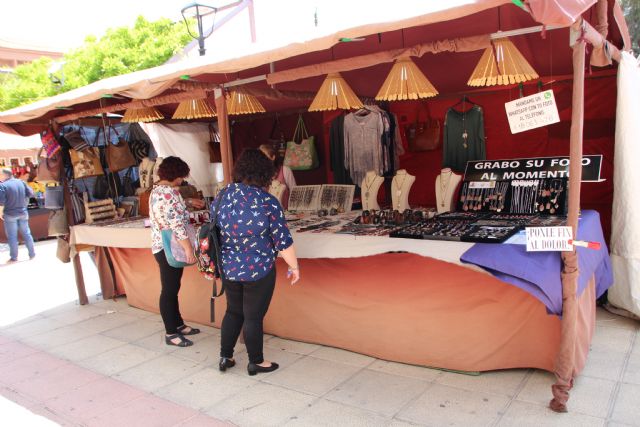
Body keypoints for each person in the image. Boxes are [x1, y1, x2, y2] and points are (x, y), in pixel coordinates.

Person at [212, 148, 300, 376]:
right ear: (265, 174)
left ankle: (225, 356)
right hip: (258, 269)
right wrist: (294, 266)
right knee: (253, 316)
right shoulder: (267, 201)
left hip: (229, 266)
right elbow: (282, 240)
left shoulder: (223, 195)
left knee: (233, 311)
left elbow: (216, 228)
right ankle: (256, 362)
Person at [149, 156, 205, 347]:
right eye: (181, 176)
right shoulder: (170, 193)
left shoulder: (158, 190)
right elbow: (176, 225)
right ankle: (170, 333)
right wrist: (188, 248)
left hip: (161, 246)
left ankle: (178, 324)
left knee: (173, 288)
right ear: (175, 174)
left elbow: (170, 211)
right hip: (170, 246)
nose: (182, 180)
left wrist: (187, 202)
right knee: (169, 290)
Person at [0, 168, 35, 263]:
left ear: (4, 175)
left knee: (12, 236)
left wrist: (0, 213)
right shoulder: (21, 182)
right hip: (23, 212)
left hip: (10, 213)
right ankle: (32, 254)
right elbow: (30, 193)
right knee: (27, 234)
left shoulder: (2, 185)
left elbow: (1, 202)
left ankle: (14, 257)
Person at [259, 144, 296, 209]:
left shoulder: (285, 170)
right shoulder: (258, 174)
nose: (262, 160)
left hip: (285, 213)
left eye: (265, 156)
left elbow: (294, 192)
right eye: (260, 157)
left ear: (273, 157)